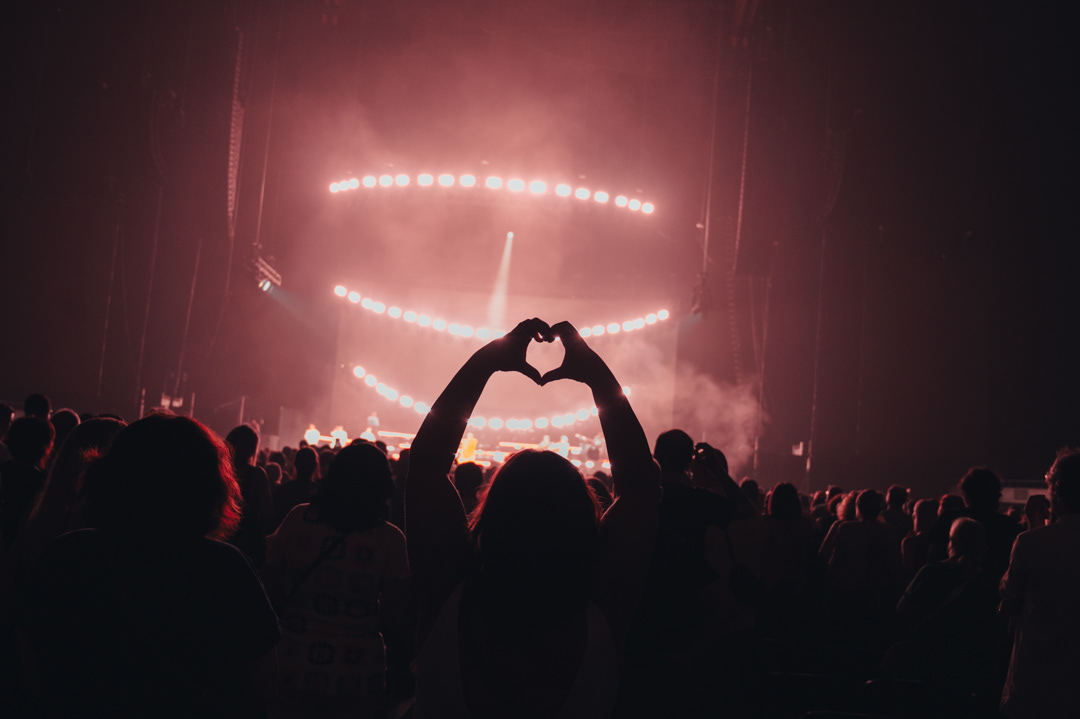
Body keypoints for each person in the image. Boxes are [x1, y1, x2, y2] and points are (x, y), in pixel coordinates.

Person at [407, 319, 661, 718]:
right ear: (583, 520)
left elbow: (424, 464)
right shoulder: (604, 610)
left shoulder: (447, 595)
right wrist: (596, 375)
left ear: (491, 515)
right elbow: (641, 488)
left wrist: (488, 360)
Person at [17, 412, 279, 718]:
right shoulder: (226, 569)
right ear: (208, 485)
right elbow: (264, 688)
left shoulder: (69, 554)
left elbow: (30, 664)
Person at [264, 441, 412, 719]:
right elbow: (397, 616)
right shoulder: (389, 539)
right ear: (382, 485)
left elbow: (271, 590)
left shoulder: (298, 519)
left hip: (292, 662)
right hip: (356, 673)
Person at [999, 448, 1080, 719]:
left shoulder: (1031, 543)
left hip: (1035, 680)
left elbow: (1010, 594)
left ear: (1056, 491)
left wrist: (1033, 529)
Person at [225, 424, 274, 567]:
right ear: (252, 449)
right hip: (249, 542)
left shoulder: (220, 470)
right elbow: (268, 512)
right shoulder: (257, 475)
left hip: (222, 536)